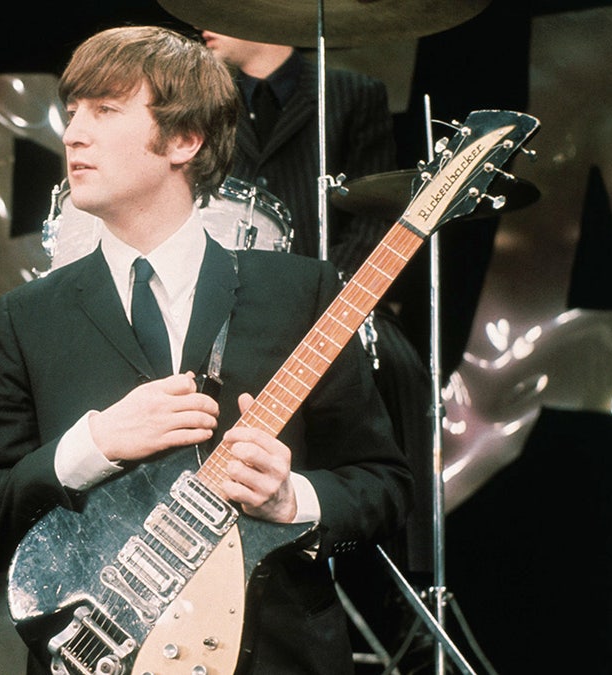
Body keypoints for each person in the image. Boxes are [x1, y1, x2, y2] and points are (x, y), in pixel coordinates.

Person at [0, 25, 413, 675]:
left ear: (184, 139)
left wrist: (293, 501)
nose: (73, 132)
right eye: (73, 110)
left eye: (105, 110)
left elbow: (384, 486)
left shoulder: (300, 291)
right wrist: (94, 443)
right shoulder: (28, 314)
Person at [202, 28, 436, 661]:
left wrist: (339, 301)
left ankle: (404, 584)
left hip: (335, 302)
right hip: (235, 309)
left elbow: (378, 212)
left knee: (397, 367)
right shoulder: (202, 95)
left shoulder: (351, 92)